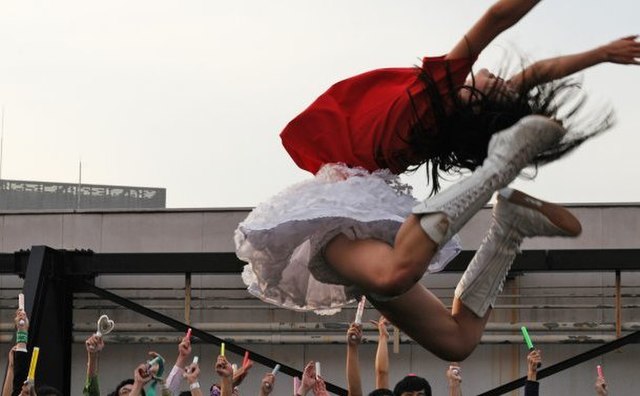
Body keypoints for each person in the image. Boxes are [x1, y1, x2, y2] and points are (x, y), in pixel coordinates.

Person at [236, 0, 639, 361]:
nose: (493, 75)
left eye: (493, 83)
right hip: (375, 218)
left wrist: (598, 51)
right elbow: (536, 74)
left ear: (474, 103)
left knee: (394, 274)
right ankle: (508, 229)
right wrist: (600, 53)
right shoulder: (446, 117)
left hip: (343, 211)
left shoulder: (437, 95)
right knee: (456, 341)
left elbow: (498, 16)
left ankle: (495, 173)